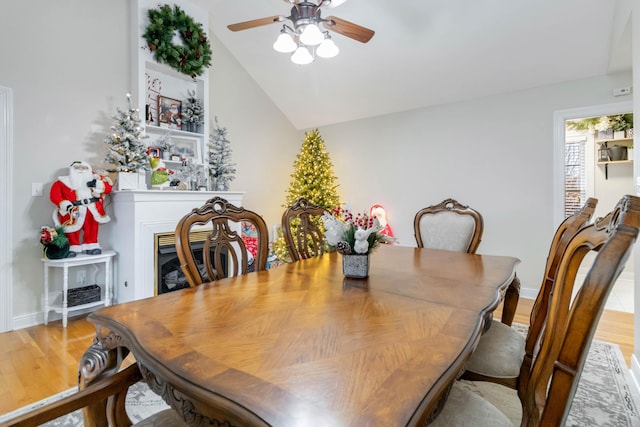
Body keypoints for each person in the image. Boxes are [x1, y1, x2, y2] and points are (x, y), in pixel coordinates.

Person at [50, 161, 113, 256]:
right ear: (72, 169)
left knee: (92, 228)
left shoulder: (95, 180)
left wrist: (97, 184)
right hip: (73, 209)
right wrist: (65, 205)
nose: (81, 170)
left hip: (92, 208)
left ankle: (91, 246)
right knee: (72, 229)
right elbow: (54, 196)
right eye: (78, 167)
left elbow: (108, 189)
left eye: (84, 168)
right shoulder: (62, 182)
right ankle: (72, 248)